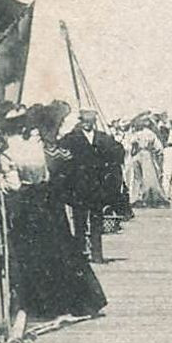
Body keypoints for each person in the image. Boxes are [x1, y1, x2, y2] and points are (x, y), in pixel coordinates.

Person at [1, 107, 107, 319]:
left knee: (34, 255)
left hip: (27, 204)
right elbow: (50, 171)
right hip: (48, 202)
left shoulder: (9, 150)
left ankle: (42, 305)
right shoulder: (36, 145)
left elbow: (13, 184)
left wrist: (2, 182)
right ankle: (75, 301)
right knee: (60, 250)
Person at [57, 109, 120, 264]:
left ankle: (97, 253)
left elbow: (116, 152)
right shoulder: (72, 138)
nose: (87, 123)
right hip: (78, 185)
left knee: (96, 219)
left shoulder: (103, 138)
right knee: (79, 220)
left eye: (90, 121)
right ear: (80, 121)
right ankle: (80, 253)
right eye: (84, 120)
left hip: (97, 185)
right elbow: (60, 153)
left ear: (94, 122)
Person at [123, 117, 169, 208]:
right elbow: (126, 145)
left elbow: (158, 146)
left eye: (139, 122)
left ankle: (149, 197)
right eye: (136, 123)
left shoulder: (149, 133)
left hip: (146, 154)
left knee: (148, 176)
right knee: (135, 177)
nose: (137, 124)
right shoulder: (131, 133)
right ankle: (135, 198)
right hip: (134, 155)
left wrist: (158, 154)